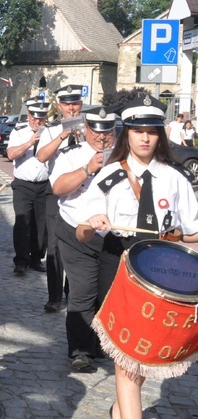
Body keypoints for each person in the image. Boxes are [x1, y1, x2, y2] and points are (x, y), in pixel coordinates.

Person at [77, 95, 198, 419]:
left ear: (160, 135)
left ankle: (120, 409)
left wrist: (176, 235)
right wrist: (91, 223)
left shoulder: (175, 178)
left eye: (152, 131)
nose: (145, 138)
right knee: (127, 357)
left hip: (162, 269)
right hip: (118, 264)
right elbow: (82, 232)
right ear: (126, 133)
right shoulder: (108, 176)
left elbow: (193, 232)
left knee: (144, 353)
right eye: (137, 130)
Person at [49, 107, 117, 372]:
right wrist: (88, 168)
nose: (102, 138)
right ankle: (80, 351)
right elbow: (58, 188)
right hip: (75, 232)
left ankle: (99, 342)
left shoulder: (124, 155)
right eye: (96, 132)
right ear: (86, 129)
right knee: (82, 292)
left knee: (105, 293)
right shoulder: (70, 155)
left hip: (111, 235)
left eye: (107, 132)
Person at [35, 85, 84, 312]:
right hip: (57, 192)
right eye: (67, 104)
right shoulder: (52, 130)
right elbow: (41, 156)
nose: (71, 108)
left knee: (80, 244)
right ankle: (54, 297)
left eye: (75, 103)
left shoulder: (90, 126)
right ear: (60, 106)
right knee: (54, 247)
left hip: (84, 192)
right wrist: (63, 135)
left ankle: (72, 293)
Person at [7, 98, 51, 275]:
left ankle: (36, 258)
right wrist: (29, 143)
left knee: (42, 225)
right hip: (23, 185)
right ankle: (21, 261)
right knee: (22, 222)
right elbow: (11, 154)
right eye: (34, 117)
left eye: (41, 118)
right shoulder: (19, 131)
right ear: (28, 115)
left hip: (44, 185)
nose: (37, 121)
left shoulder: (50, 132)